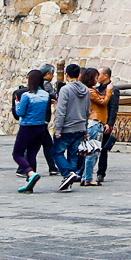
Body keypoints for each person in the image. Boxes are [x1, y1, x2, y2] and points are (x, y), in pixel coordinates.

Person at [12, 68, 54, 190]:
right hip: (40, 127)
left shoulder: (26, 95)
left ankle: (30, 174)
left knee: (17, 154)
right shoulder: (45, 95)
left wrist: (17, 103)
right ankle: (29, 184)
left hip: (27, 127)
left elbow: (20, 112)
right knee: (32, 154)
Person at [51, 62, 90, 190]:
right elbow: (87, 110)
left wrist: (58, 129)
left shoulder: (65, 89)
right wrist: (85, 127)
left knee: (57, 152)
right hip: (80, 127)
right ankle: (69, 180)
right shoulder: (86, 90)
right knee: (73, 154)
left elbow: (61, 111)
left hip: (67, 127)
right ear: (78, 75)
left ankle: (67, 174)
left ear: (66, 75)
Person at [80, 66, 110, 185]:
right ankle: (88, 178)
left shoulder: (89, 90)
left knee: (91, 151)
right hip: (95, 122)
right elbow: (102, 101)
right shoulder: (90, 91)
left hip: (94, 122)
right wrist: (109, 91)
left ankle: (85, 177)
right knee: (93, 152)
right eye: (96, 78)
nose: (97, 80)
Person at [92, 67, 120, 184]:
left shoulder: (113, 90)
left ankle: (101, 172)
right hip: (97, 120)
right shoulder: (97, 89)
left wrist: (110, 123)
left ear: (106, 76)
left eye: (99, 74)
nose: (97, 77)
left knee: (103, 149)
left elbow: (113, 108)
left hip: (105, 121)